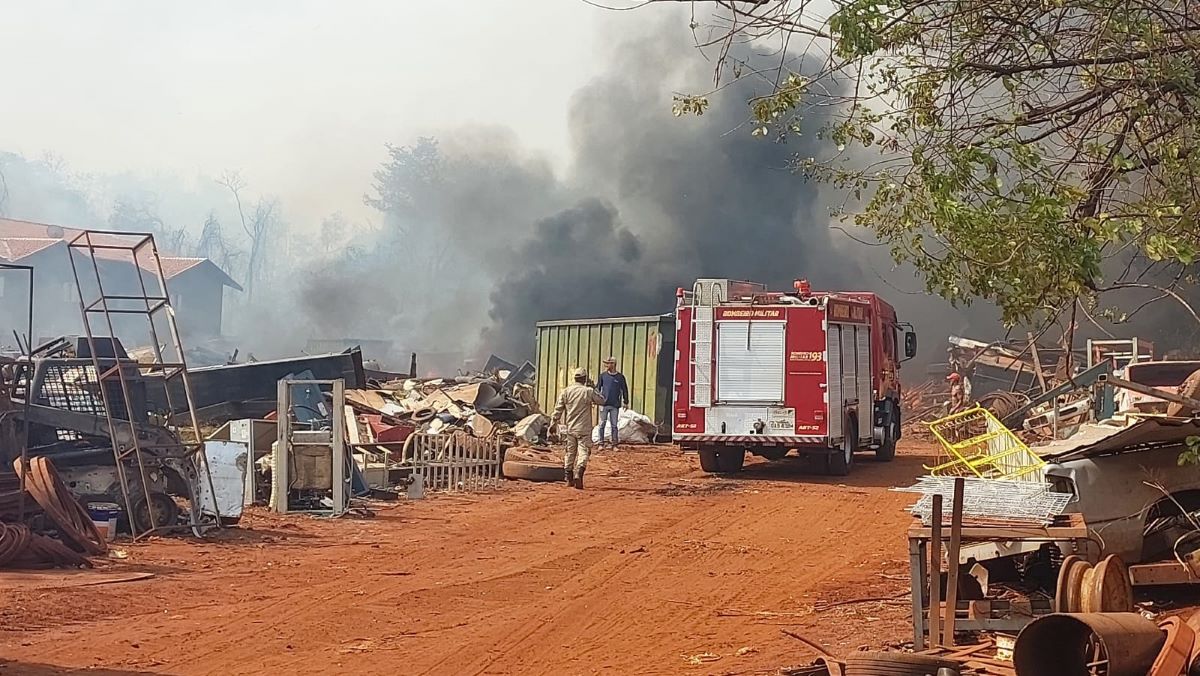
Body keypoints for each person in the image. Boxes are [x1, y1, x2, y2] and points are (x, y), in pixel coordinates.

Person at [552, 367, 606, 489]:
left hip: (570, 428)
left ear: (575, 378)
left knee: (570, 453)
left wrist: (553, 422)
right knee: (583, 452)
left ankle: (568, 478)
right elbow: (602, 401)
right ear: (585, 379)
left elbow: (558, 409)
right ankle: (579, 473)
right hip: (584, 429)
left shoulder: (566, 391)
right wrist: (594, 388)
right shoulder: (588, 391)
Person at [595, 357, 629, 449]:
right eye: (606, 363)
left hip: (615, 405)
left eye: (609, 363)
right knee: (602, 424)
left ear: (614, 364)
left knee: (614, 425)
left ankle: (614, 444)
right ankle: (601, 444)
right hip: (603, 404)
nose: (607, 365)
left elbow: (624, 390)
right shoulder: (602, 376)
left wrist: (626, 402)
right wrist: (595, 399)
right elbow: (597, 388)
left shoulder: (620, 377)